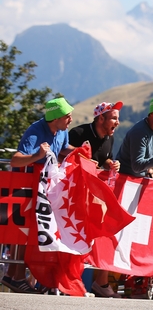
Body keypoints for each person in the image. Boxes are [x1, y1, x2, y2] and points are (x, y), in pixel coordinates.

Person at [4, 97, 75, 293]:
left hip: (44, 189)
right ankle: (15, 276)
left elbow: (63, 149)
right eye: (67, 116)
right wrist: (36, 156)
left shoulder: (62, 131)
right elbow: (16, 160)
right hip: (25, 188)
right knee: (24, 231)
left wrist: (81, 153)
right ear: (55, 118)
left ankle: (21, 276)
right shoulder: (35, 132)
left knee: (38, 232)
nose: (70, 120)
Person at [68, 101, 123, 297]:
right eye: (114, 118)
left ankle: (99, 283)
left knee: (102, 235)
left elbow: (104, 158)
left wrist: (111, 164)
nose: (118, 122)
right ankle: (66, 281)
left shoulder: (109, 138)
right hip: (72, 196)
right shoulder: (78, 134)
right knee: (72, 236)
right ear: (101, 118)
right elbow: (62, 156)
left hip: (93, 198)